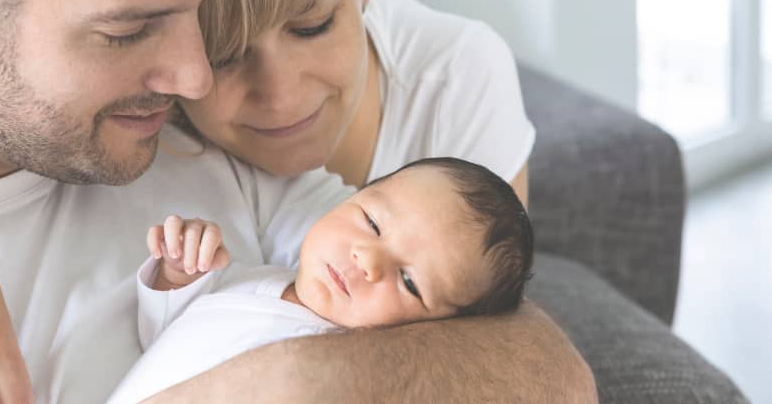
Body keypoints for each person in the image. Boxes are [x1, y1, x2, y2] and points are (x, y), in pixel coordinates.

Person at [143, 0, 597, 402]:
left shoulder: (455, 79)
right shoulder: (143, 130)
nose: (281, 97)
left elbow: (495, 324)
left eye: (312, 25)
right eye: (224, 53)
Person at [0, 0, 350, 403]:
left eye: (202, 7)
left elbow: (448, 330)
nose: (197, 79)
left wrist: (278, 378)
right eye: (126, 33)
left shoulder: (218, 147)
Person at [108, 157, 534, 403]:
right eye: (371, 222)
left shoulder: (350, 373)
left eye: (408, 281)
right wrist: (179, 274)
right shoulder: (253, 279)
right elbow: (162, 339)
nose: (367, 260)